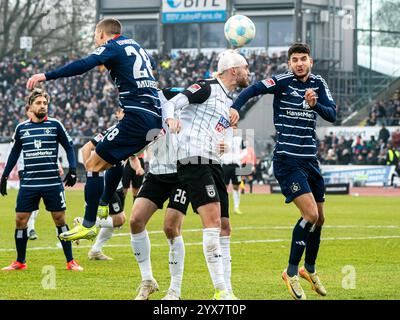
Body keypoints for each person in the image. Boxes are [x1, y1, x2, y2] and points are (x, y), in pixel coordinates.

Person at [26, 18, 163, 241]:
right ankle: (103, 205)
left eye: (94, 36)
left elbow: (83, 65)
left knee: (92, 164)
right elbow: (151, 72)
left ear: (101, 34)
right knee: (114, 159)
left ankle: (89, 223)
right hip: (152, 119)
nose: (94, 40)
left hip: (136, 118)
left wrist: (46, 75)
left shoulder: (112, 46)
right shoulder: (138, 47)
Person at [232, 43, 336, 300]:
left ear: (310, 61)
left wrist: (315, 105)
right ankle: (290, 272)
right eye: (294, 60)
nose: (299, 63)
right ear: (289, 64)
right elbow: (254, 89)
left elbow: (332, 114)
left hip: (310, 159)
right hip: (288, 160)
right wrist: (235, 107)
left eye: (303, 59)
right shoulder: (282, 81)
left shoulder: (319, 84)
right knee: (310, 214)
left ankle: (308, 269)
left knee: (320, 219)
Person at [163, 49, 247, 300]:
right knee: (211, 223)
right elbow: (171, 102)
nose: (248, 72)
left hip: (212, 163)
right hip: (193, 160)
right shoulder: (206, 87)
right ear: (234, 71)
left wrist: (224, 141)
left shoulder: (227, 101)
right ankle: (221, 290)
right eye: (245, 68)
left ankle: (228, 289)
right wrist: (170, 120)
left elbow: (220, 132)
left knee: (224, 226)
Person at [0, 88, 82, 271]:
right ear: (30, 106)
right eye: (39, 103)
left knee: (60, 219)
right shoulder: (21, 128)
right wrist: (4, 176)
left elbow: (69, 147)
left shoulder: (55, 125)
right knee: (20, 220)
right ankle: (20, 262)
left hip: (52, 182)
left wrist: (73, 169)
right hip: (29, 183)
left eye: (45, 103)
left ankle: (70, 261)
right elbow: (14, 153)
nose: (43, 106)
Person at [130, 88, 189, 300]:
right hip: (156, 173)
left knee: (171, 227)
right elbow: (138, 144)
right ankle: (148, 280)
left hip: (182, 173)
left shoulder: (179, 101)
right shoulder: (143, 109)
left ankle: (175, 290)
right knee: (136, 220)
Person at [78, 107, 127, 260]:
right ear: (118, 115)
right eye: (123, 112)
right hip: (107, 183)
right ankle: (86, 221)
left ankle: (95, 250)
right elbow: (86, 147)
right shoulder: (112, 131)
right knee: (119, 220)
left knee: (114, 221)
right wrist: (90, 171)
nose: (126, 114)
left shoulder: (132, 130)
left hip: (117, 183)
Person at [221, 127, 246, 214]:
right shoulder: (223, 138)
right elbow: (218, 151)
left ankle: (236, 207)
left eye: (235, 128)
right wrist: (223, 158)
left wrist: (238, 157)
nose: (233, 130)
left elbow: (245, 151)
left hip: (236, 165)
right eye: (232, 128)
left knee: (236, 186)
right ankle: (223, 207)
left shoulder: (239, 139)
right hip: (226, 165)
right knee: (224, 187)